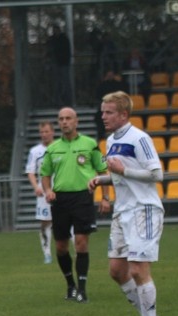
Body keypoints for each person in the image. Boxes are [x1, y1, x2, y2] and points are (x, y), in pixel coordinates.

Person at [88, 91, 164, 316]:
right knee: (117, 271)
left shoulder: (140, 138)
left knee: (138, 270)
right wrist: (103, 180)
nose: (104, 116)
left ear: (123, 114)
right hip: (123, 212)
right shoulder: (110, 140)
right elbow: (122, 177)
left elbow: (156, 174)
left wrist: (122, 170)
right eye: (102, 112)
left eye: (108, 112)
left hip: (144, 210)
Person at [40, 107, 107, 303]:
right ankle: (70, 285)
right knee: (61, 246)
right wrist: (48, 190)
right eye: (61, 119)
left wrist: (105, 198)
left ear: (76, 121)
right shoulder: (52, 148)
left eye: (68, 118)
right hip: (60, 199)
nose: (64, 122)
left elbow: (102, 170)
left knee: (81, 243)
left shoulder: (90, 144)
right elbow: (44, 174)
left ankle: (83, 290)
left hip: (82, 197)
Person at [25, 121, 55, 264]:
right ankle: (47, 253)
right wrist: (36, 187)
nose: (44, 134)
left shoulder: (59, 147)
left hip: (62, 190)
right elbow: (30, 172)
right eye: (41, 132)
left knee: (69, 221)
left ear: (52, 132)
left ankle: (74, 251)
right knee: (45, 223)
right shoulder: (35, 151)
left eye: (46, 131)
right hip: (44, 193)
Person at [93, 70, 127, 140]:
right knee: (99, 118)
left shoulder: (118, 85)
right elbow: (98, 96)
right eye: (108, 74)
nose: (110, 75)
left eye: (111, 74)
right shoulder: (102, 85)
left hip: (117, 106)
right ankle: (102, 137)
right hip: (105, 107)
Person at [49, 27, 73, 106]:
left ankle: (67, 101)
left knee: (65, 83)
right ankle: (57, 101)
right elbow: (50, 50)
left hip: (63, 63)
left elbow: (66, 51)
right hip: (56, 63)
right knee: (57, 83)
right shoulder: (53, 40)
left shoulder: (63, 39)